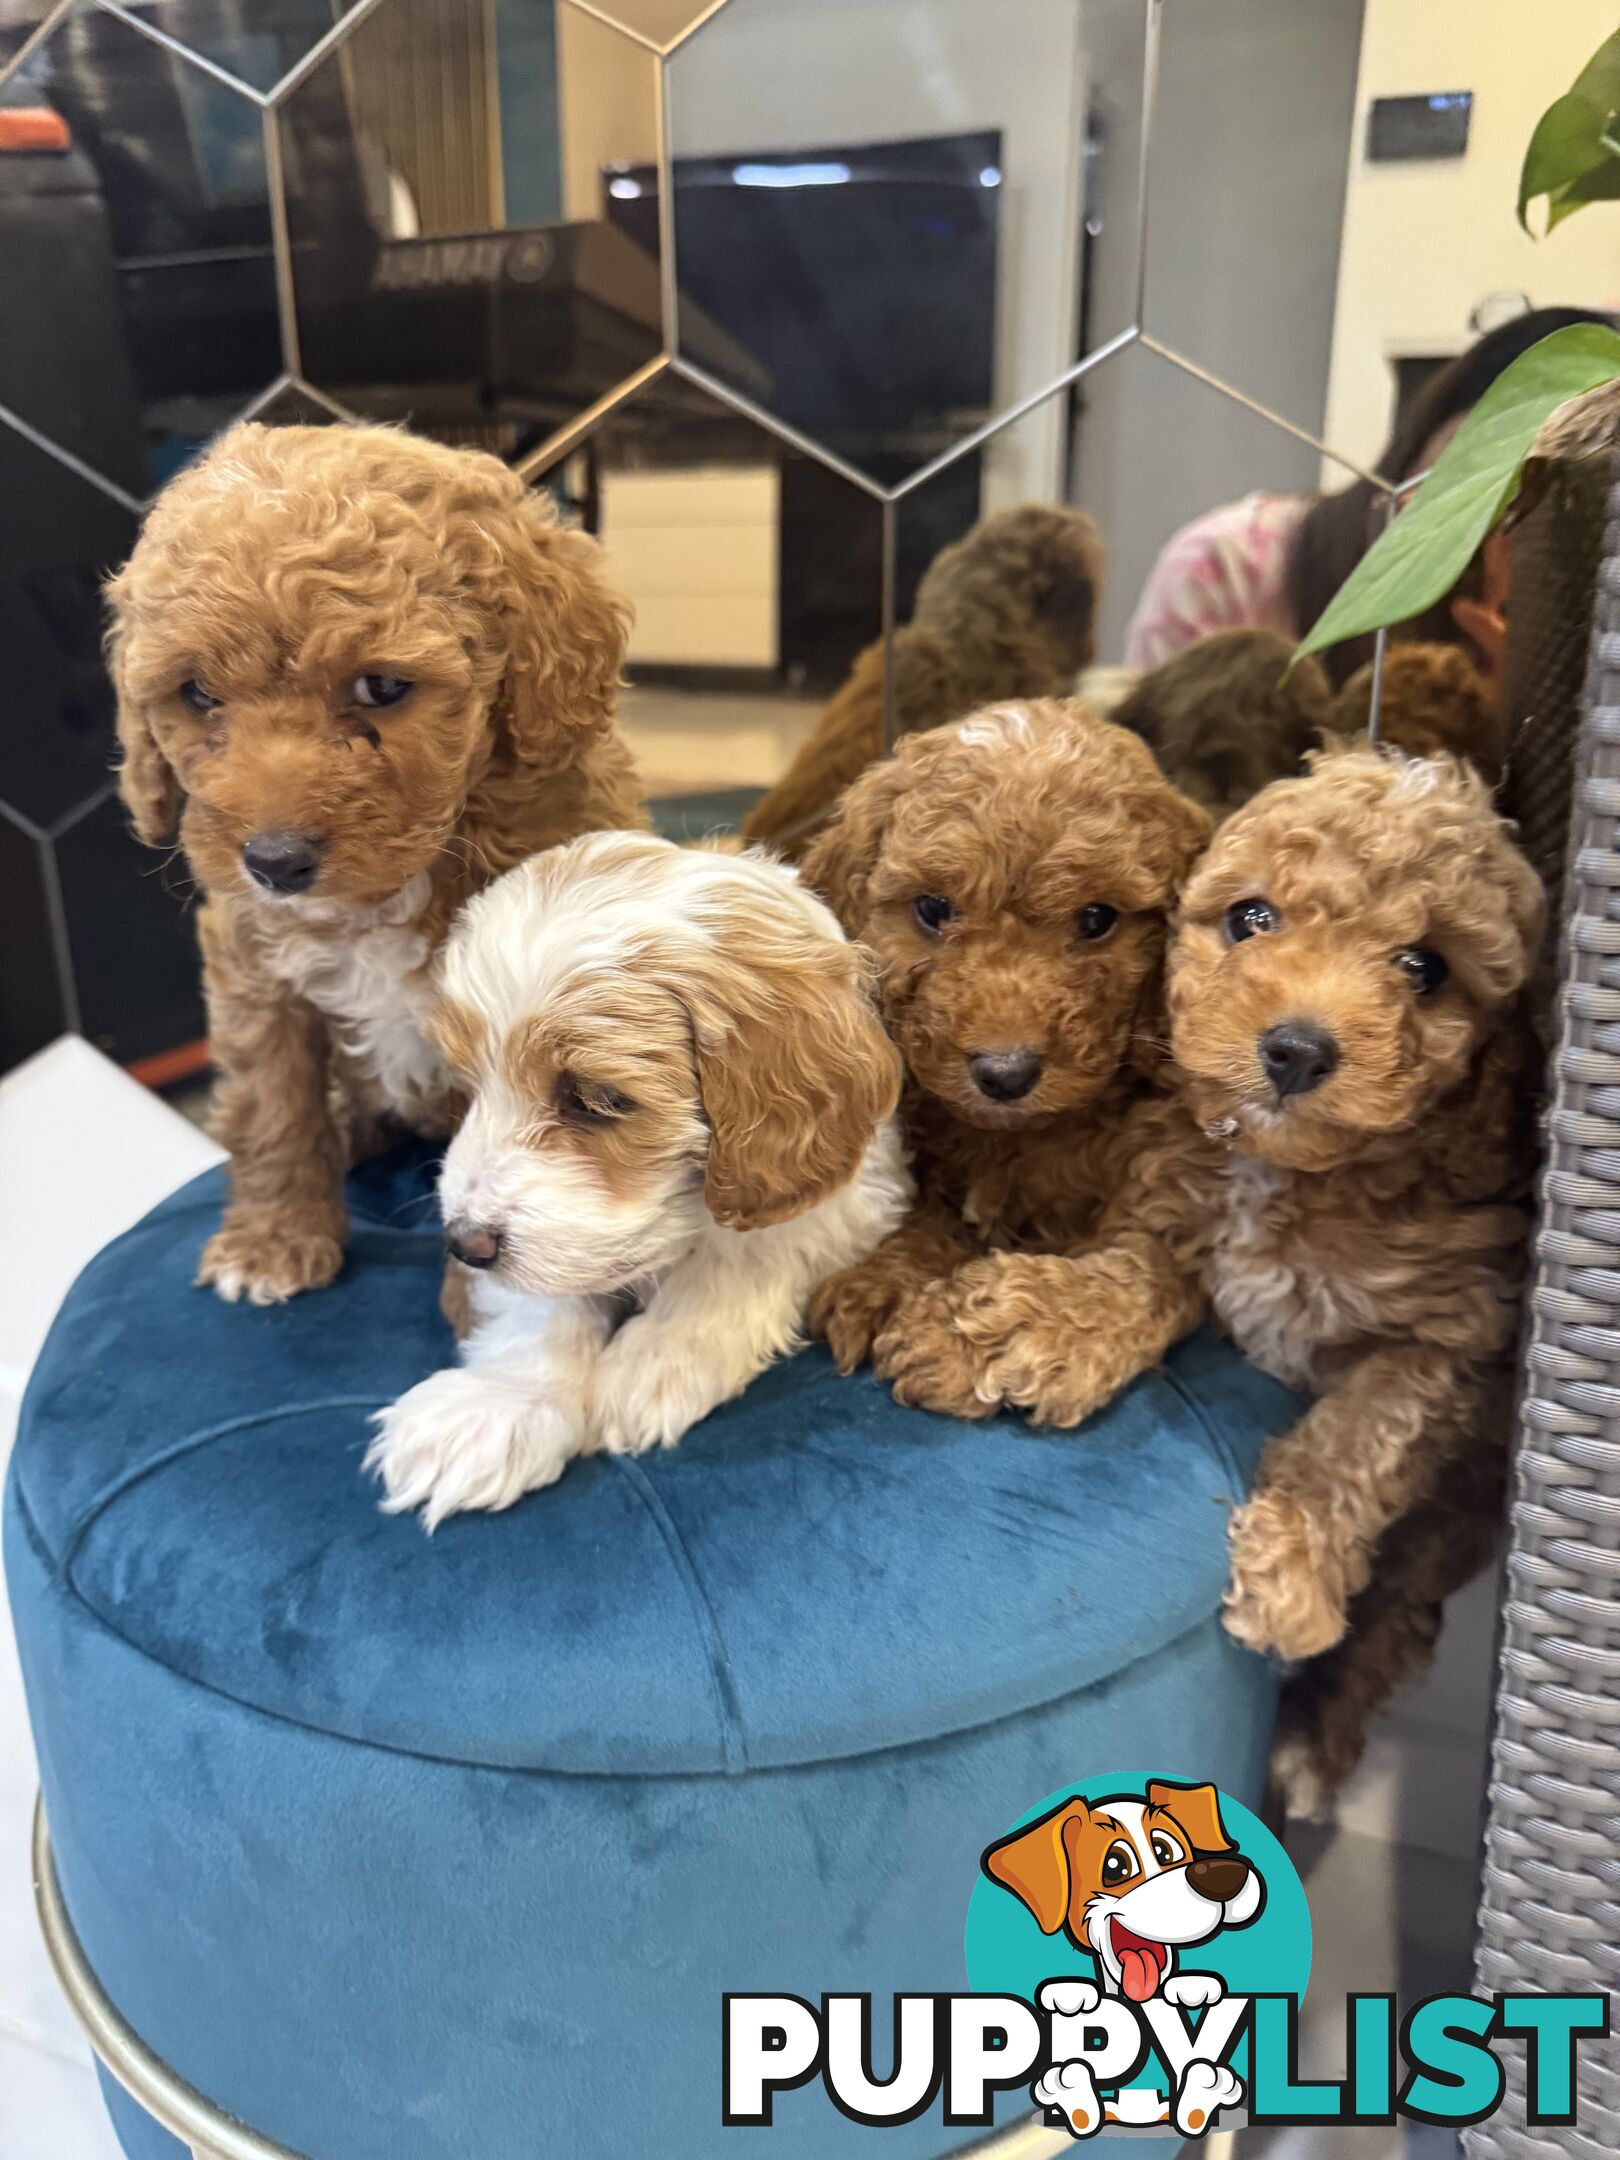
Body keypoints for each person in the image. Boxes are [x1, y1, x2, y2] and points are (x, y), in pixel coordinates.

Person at [1123, 305, 1616, 687]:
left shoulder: (1548, 641)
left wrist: (1526, 697)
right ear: (1434, 426)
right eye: (1482, 469)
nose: (1484, 522)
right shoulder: (1230, 568)